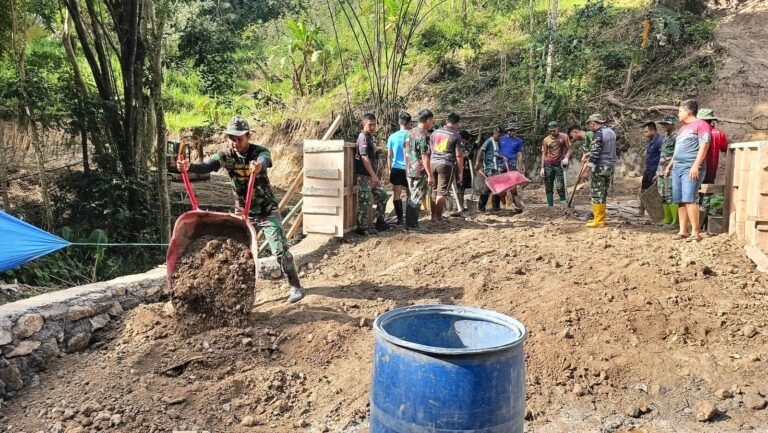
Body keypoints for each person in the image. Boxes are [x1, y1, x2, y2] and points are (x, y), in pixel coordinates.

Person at [177, 116, 304, 303]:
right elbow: (208, 166)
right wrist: (190, 166)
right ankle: (240, 293)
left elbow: (265, 160)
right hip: (242, 213)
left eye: (239, 138)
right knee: (237, 253)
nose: (235, 142)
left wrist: (258, 165)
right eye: (232, 138)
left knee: (279, 248)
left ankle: (295, 286)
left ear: (248, 136)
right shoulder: (226, 155)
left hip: (266, 209)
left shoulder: (259, 152)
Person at [663, 99, 711, 242]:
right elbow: (678, 150)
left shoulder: (701, 126)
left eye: (680, 111)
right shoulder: (683, 129)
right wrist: (670, 165)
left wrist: (696, 166)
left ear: (688, 112)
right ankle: (683, 230)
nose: (678, 114)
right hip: (678, 166)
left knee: (690, 198)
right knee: (680, 200)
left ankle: (695, 232)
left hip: (691, 166)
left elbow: (704, 146)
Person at [355, 113, 390, 235]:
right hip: (363, 175)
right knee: (364, 199)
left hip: (370, 176)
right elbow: (364, 157)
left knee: (383, 195)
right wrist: (373, 176)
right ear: (364, 124)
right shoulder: (363, 137)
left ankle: (380, 221)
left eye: (374, 125)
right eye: (370, 125)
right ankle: (362, 227)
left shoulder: (369, 137)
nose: (373, 127)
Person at [581, 114, 617, 228]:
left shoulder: (599, 134)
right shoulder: (611, 132)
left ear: (593, 123)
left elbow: (596, 153)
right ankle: (601, 218)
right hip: (609, 166)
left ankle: (598, 220)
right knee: (603, 192)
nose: (589, 129)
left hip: (600, 167)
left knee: (597, 193)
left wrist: (586, 169)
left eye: (589, 126)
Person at [429, 113, 464, 222]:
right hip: (446, 164)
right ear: (457, 123)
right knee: (442, 192)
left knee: (434, 191)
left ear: (446, 121)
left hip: (433, 162)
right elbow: (458, 155)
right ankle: (438, 217)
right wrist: (460, 172)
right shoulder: (456, 135)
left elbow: (430, 149)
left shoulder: (435, 133)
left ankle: (433, 216)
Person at [404, 109, 434, 230]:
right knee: (417, 198)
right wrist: (430, 174)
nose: (432, 123)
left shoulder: (409, 133)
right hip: (419, 171)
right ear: (427, 120)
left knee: (412, 196)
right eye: (432, 120)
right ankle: (412, 224)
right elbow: (424, 156)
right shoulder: (423, 135)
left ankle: (408, 224)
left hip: (409, 169)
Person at [387, 112, 412, 225]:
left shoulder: (392, 137)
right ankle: (409, 218)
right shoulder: (411, 135)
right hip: (409, 168)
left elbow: (389, 155)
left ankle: (400, 219)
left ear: (399, 122)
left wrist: (389, 169)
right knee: (410, 193)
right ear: (408, 123)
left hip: (396, 168)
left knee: (396, 194)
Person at [540, 121, 573, 207]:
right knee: (549, 186)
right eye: (550, 131)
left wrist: (566, 157)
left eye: (554, 130)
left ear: (558, 128)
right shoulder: (546, 140)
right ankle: (550, 207)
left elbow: (570, 149)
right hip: (548, 165)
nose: (552, 132)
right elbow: (543, 154)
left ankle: (564, 204)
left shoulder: (564, 137)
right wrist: (542, 168)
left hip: (559, 164)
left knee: (560, 186)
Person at [475, 127, 507, 212]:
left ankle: (494, 207)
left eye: (501, 136)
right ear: (494, 133)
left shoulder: (496, 143)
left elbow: (494, 155)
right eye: (499, 135)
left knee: (494, 187)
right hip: (490, 168)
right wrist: (477, 162)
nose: (499, 137)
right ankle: (482, 207)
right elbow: (481, 150)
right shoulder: (489, 141)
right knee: (491, 187)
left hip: (495, 168)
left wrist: (502, 157)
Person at [657, 116, 679, 228]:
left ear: (672, 124)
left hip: (671, 170)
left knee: (671, 194)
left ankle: (675, 221)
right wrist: (658, 172)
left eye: (666, 124)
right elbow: (663, 155)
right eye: (663, 124)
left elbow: (676, 155)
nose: (664, 126)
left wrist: (669, 168)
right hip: (662, 170)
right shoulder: (666, 137)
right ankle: (667, 218)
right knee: (663, 194)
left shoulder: (677, 136)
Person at [698, 108, 730, 184]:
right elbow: (726, 149)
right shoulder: (719, 133)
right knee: (708, 192)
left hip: (695, 168)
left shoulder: (696, 132)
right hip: (711, 170)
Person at [498, 124, 525, 210]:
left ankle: (516, 204)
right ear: (507, 131)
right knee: (501, 186)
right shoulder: (500, 139)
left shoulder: (519, 141)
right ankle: (497, 206)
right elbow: (496, 151)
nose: (512, 132)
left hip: (512, 165)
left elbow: (520, 155)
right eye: (510, 130)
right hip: (501, 165)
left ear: (516, 130)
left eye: (513, 130)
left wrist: (520, 169)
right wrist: (501, 157)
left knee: (513, 186)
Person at [639, 122, 663, 216]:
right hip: (648, 169)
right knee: (644, 189)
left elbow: (663, 157)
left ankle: (655, 212)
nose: (644, 134)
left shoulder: (660, 141)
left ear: (653, 130)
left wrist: (659, 171)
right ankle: (642, 209)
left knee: (653, 191)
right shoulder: (650, 140)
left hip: (655, 169)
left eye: (646, 131)